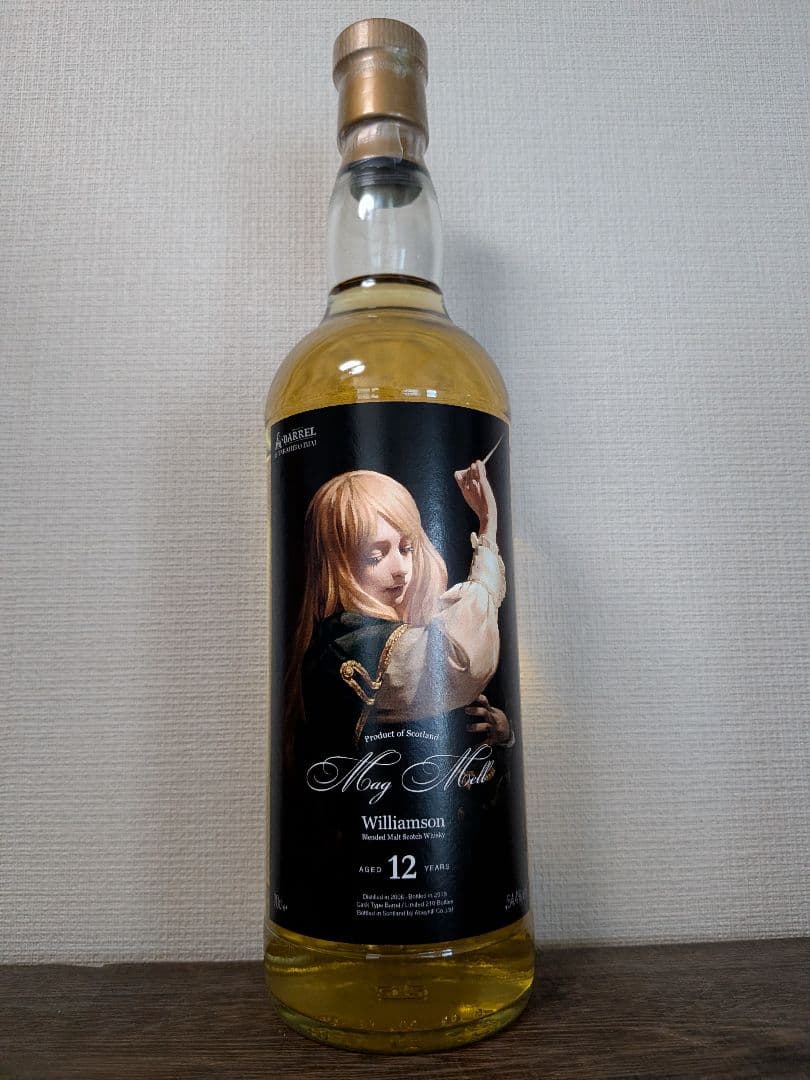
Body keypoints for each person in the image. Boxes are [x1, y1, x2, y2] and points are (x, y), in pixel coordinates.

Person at [287, 460, 512, 753]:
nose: (400, 569)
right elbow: (464, 664)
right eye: (375, 557)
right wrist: (488, 528)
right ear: (336, 565)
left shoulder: (396, 629)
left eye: (407, 549)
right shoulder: (346, 643)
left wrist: (504, 733)